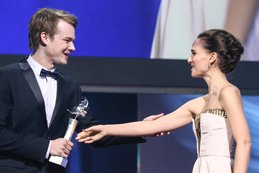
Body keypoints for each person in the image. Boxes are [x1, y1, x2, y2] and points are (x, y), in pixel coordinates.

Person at [77, 29, 252, 173]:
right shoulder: (197, 104)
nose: (189, 59)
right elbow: (152, 126)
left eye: (194, 53)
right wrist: (106, 129)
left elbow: (244, 141)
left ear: (212, 57)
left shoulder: (229, 92)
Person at [0, 8, 146, 173]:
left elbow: (93, 132)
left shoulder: (70, 86)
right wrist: (47, 147)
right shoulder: (7, 77)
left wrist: (143, 129)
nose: (73, 47)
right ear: (45, 37)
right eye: (67, 40)